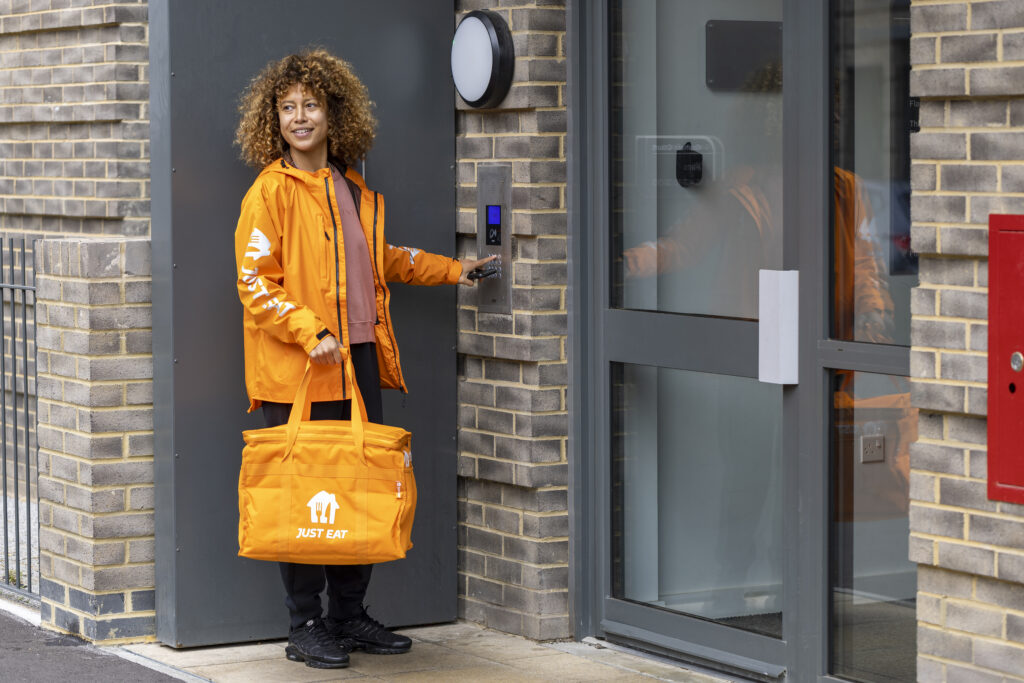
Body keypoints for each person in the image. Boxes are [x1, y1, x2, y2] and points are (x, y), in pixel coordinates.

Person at [233, 49, 493, 670]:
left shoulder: (353, 191)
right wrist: (307, 329)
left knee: (360, 484)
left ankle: (348, 616)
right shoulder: (268, 193)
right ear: (274, 119)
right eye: (288, 107)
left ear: (333, 114)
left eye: (311, 106)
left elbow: (385, 259)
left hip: (358, 360)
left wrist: (458, 270)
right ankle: (305, 626)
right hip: (300, 366)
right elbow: (254, 280)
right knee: (304, 492)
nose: (300, 117)